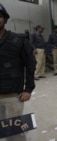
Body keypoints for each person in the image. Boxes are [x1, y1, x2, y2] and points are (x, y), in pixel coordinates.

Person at [0, 3, 36, 140]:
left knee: (14, 135)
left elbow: (30, 65)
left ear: (5, 19)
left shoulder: (18, 41)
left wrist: (28, 89)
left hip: (12, 97)